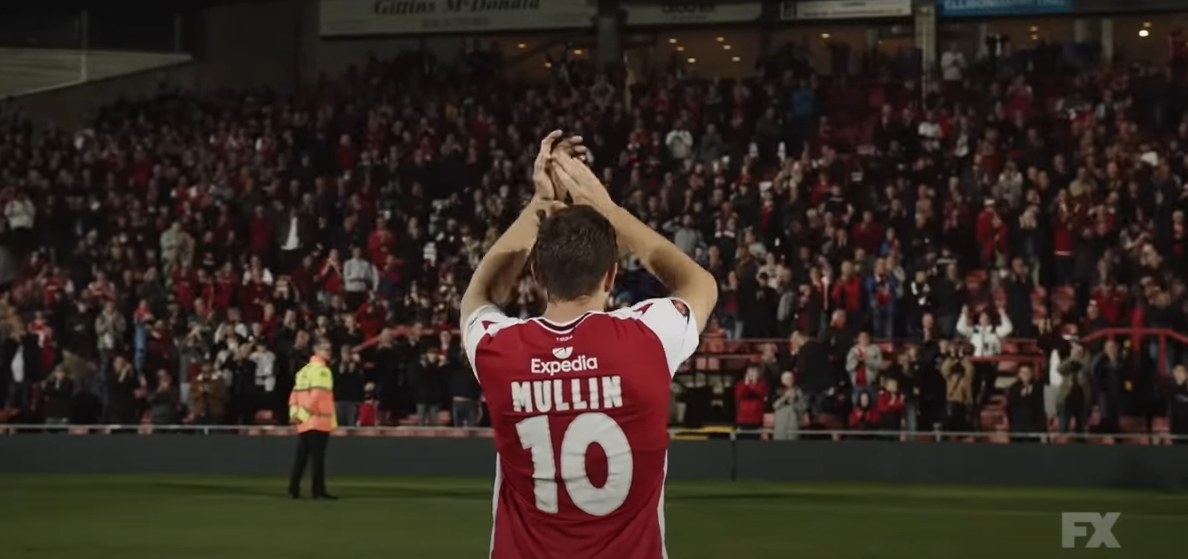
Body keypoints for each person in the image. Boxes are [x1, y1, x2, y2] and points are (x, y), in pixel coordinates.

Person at [459, 131, 717, 559]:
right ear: (612, 276)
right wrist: (609, 210)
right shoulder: (648, 339)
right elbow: (699, 284)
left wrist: (538, 204)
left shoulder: (500, 351)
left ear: (537, 276)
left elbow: (479, 296)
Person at [287, 339, 337, 500]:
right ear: (317, 351)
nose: (329, 352)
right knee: (317, 458)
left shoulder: (303, 371)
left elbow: (294, 395)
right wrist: (304, 414)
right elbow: (316, 395)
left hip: (305, 422)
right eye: (326, 349)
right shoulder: (322, 371)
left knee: (301, 457)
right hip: (318, 420)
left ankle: (293, 489)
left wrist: (296, 415)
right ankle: (318, 491)